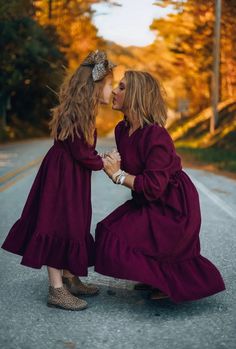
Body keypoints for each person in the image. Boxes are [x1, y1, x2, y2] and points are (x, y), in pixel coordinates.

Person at [95, 70, 225, 303]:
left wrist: (118, 175)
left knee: (133, 237)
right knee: (108, 231)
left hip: (173, 207)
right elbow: (133, 169)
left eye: (122, 87)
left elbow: (154, 185)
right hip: (147, 200)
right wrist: (113, 164)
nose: (114, 90)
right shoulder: (121, 130)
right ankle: (152, 276)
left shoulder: (157, 135)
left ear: (137, 95)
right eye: (117, 86)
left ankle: (168, 282)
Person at [1, 50, 117, 310]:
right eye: (110, 84)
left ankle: (69, 276)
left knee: (74, 223)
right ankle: (56, 289)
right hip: (62, 177)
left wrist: (96, 157)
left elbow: (82, 151)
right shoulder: (78, 113)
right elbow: (80, 152)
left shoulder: (83, 110)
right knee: (58, 225)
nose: (112, 90)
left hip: (70, 174)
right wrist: (104, 162)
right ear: (96, 86)